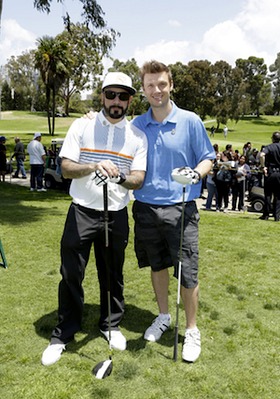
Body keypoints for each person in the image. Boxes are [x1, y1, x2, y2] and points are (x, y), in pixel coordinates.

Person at [41, 72, 147, 366]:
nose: (116, 101)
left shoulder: (137, 136)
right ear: (102, 96)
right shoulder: (82, 125)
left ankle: (110, 325)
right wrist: (92, 166)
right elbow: (65, 168)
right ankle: (64, 333)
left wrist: (122, 176)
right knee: (71, 273)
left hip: (115, 214)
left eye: (122, 96)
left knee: (113, 273)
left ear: (129, 100)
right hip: (82, 211)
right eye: (111, 94)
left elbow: (138, 178)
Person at [131, 61, 215, 363]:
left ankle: (192, 329)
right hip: (145, 207)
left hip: (181, 208)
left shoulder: (190, 121)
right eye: (151, 85)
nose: (157, 90)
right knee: (157, 266)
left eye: (162, 84)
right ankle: (164, 316)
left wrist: (196, 173)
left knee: (187, 272)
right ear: (143, 89)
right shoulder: (137, 125)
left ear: (171, 85)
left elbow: (208, 157)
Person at [259, 131, 280, 221]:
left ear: (272, 138)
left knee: (268, 194)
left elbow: (261, 155)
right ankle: (277, 216)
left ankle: (266, 214)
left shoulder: (269, 147)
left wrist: (263, 167)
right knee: (278, 195)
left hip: (270, 172)